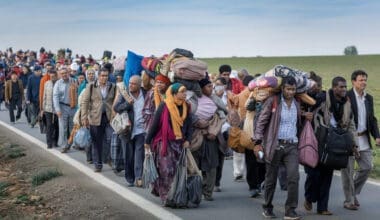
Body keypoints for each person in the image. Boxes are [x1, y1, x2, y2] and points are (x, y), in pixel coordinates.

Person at [254, 76, 306, 220]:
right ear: (282, 89)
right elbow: (261, 121)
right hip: (274, 145)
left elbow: (297, 124)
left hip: (292, 145)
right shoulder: (273, 101)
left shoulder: (296, 103)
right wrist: (257, 141)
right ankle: (267, 207)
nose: (291, 92)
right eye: (288, 89)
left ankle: (290, 210)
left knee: (294, 177)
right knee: (270, 179)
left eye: (293, 89)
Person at [144, 83, 193, 205]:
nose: (185, 94)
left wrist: (188, 140)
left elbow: (189, 125)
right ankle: (167, 196)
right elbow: (154, 125)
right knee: (166, 170)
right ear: (174, 93)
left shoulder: (186, 106)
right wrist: (147, 141)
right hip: (165, 143)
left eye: (185, 91)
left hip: (179, 143)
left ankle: (177, 195)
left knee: (177, 170)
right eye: (182, 92)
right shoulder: (164, 106)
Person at [341, 70, 380, 210]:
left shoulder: (368, 98)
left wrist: (377, 136)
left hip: (364, 139)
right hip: (349, 140)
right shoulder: (347, 97)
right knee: (348, 172)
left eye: (365, 80)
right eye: (361, 80)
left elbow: (372, 120)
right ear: (353, 82)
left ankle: (353, 193)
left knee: (367, 167)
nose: (364, 82)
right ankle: (348, 201)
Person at [303, 72, 336, 215]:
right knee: (313, 174)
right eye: (314, 86)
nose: (317, 89)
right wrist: (303, 115)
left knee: (327, 174)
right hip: (309, 141)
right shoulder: (301, 98)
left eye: (319, 86)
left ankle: (323, 207)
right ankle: (309, 197)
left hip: (327, 140)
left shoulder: (327, 97)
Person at [192, 75, 227, 201]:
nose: (211, 88)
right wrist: (198, 123)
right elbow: (189, 116)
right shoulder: (192, 99)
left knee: (212, 165)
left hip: (211, 137)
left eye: (212, 86)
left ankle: (208, 192)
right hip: (195, 136)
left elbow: (223, 115)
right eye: (208, 86)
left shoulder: (215, 100)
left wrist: (213, 128)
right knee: (195, 165)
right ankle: (196, 189)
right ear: (201, 88)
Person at [81, 67, 116, 172]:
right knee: (97, 142)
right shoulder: (91, 86)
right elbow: (85, 102)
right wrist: (84, 117)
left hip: (109, 117)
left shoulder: (113, 87)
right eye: (102, 76)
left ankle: (109, 159)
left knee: (111, 139)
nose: (104, 78)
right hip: (95, 117)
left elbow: (115, 100)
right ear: (98, 76)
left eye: (106, 76)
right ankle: (98, 164)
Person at [114, 75, 147, 186]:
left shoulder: (145, 94)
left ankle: (138, 177)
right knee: (128, 155)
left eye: (133, 84)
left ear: (139, 85)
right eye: (130, 83)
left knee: (139, 154)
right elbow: (116, 108)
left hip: (141, 130)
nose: (131, 85)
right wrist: (127, 104)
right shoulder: (125, 95)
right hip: (127, 131)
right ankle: (130, 178)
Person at [53, 67, 78, 152]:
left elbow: (78, 93)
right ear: (60, 74)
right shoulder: (58, 83)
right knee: (63, 127)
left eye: (65, 73)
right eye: (62, 73)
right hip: (62, 107)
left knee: (73, 127)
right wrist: (57, 109)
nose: (64, 75)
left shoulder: (74, 81)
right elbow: (55, 97)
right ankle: (64, 145)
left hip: (73, 107)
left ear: (68, 73)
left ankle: (71, 144)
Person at [41, 70, 59, 149]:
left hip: (57, 108)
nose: (52, 77)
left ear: (56, 76)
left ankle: (55, 141)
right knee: (49, 126)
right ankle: (49, 143)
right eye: (51, 76)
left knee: (56, 125)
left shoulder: (59, 83)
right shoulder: (47, 83)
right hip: (48, 108)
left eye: (54, 76)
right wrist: (42, 109)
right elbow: (44, 96)